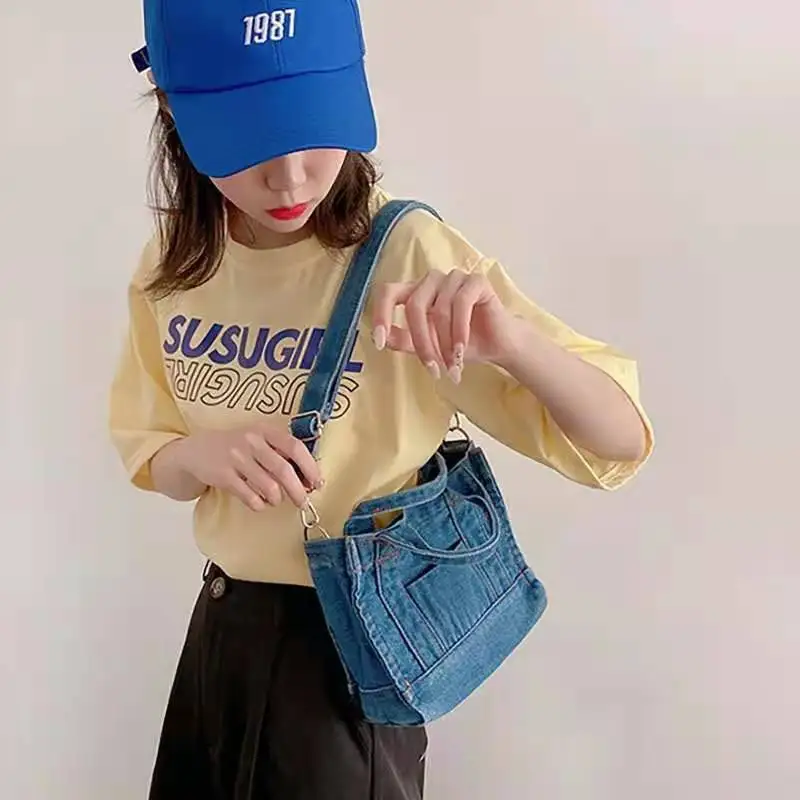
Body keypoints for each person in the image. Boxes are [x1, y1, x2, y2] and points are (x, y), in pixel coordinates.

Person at [109, 0, 654, 797]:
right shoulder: (176, 263)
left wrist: (511, 343)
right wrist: (201, 455)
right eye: (248, 138)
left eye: (312, 123)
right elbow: (149, 446)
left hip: (351, 655)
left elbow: (621, 440)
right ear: (174, 111)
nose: (290, 176)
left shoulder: (403, 255)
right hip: (219, 636)